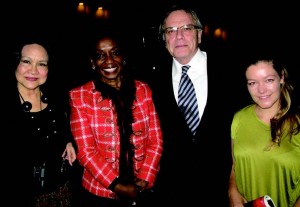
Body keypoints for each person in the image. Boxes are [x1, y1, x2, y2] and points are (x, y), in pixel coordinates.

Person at [149, 3, 233, 206]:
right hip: (171, 193)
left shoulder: (231, 71)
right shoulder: (150, 80)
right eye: (171, 31)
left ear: (200, 35)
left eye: (186, 29)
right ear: (164, 38)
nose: (179, 36)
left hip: (223, 191)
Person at [68, 29, 163, 207]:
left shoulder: (143, 90)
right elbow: (86, 152)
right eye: (100, 55)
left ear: (124, 58)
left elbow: (155, 141)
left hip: (143, 189)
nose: (109, 61)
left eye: (115, 53)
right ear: (93, 63)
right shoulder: (79, 96)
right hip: (99, 193)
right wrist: (118, 186)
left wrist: (144, 178)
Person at [3, 37, 77, 206]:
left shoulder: (57, 99)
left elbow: (65, 128)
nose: (34, 71)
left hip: (62, 193)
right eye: (26, 61)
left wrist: (68, 141)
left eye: (42, 64)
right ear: (15, 63)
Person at [228, 56, 300, 207]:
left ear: (281, 77)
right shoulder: (238, 119)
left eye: (268, 80)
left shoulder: (298, 123)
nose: (261, 90)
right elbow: (235, 166)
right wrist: (232, 190)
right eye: (252, 83)